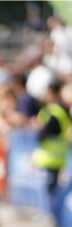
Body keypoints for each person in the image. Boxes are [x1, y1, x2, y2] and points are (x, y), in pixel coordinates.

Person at [31, 78, 72, 213]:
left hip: (51, 158)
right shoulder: (62, 109)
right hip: (57, 158)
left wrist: (38, 128)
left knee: (50, 193)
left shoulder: (53, 111)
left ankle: (51, 216)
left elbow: (44, 133)